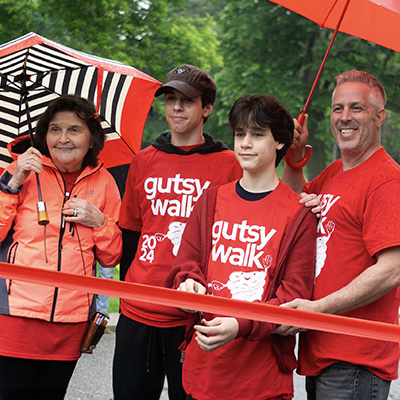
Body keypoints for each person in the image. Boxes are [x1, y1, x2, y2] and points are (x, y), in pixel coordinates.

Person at [165, 94, 318, 400]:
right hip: (203, 372)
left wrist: (240, 324)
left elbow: (292, 298)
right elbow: (186, 263)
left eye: (258, 134)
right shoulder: (210, 200)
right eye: (240, 134)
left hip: (260, 380)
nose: (246, 143)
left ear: (279, 142)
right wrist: (188, 284)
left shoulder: (298, 214)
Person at [113, 64, 243, 400]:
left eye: (186, 100)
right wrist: (130, 286)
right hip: (138, 310)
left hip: (191, 315)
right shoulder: (144, 160)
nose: (176, 107)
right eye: (170, 99)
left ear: (207, 108)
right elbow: (131, 231)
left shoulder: (230, 163)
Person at [278, 70, 400, 399]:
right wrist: (293, 159)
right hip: (322, 351)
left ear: (380, 117)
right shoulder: (334, 172)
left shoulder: (386, 180)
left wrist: (319, 309)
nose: (345, 117)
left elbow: (392, 270)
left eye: (356, 108)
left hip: (356, 357)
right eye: (337, 109)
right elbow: (292, 211)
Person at [0, 94, 122, 399]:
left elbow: (111, 256)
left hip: (70, 323)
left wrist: (100, 222)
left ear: (92, 139)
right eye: (55, 130)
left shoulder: (105, 182)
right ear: (44, 136)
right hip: (15, 317)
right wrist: (12, 183)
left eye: (74, 130)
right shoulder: (21, 172)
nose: (63, 139)